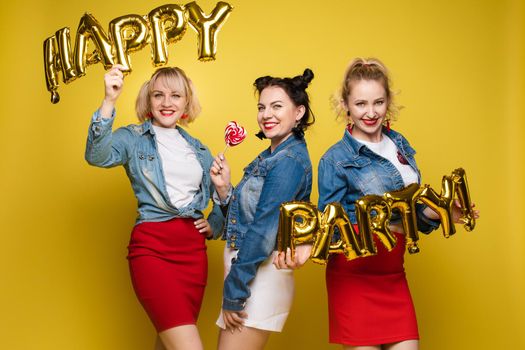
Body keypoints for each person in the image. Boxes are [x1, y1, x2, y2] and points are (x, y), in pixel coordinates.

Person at [274, 57, 480, 350]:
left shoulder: (400, 144)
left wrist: (442, 212)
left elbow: (410, 213)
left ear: (388, 102)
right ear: (345, 104)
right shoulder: (335, 159)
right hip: (354, 277)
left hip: (393, 273)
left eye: (378, 102)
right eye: (360, 104)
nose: (370, 113)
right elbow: (330, 220)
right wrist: (309, 245)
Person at [85, 65, 224, 350]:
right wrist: (109, 100)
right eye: (158, 95)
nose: (166, 102)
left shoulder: (199, 149)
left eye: (175, 95)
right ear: (148, 100)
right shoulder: (133, 138)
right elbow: (96, 156)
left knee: (168, 345)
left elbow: (220, 197)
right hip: (153, 250)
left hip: (193, 256)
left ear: (186, 101)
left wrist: (215, 220)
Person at [209, 69, 316, 349]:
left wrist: (235, 291)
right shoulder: (271, 155)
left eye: (277, 106)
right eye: (261, 107)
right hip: (247, 276)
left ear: (299, 112)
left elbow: (264, 230)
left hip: (257, 280)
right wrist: (224, 190)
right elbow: (246, 217)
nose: (266, 114)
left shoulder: (288, 161)